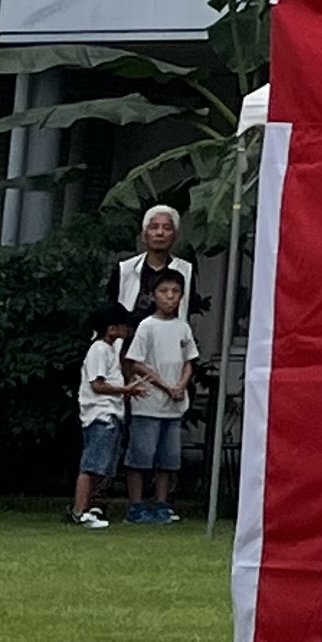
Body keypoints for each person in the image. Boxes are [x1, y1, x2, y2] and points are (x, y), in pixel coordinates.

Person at [121, 267, 196, 525]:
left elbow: (189, 361)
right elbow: (137, 363)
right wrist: (165, 385)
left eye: (175, 292)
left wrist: (181, 385)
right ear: (153, 295)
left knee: (168, 459)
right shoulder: (147, 326)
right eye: (164, 291)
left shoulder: (182, 327)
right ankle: (136, 505)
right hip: (149, 403)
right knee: (141, 456)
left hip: (173, 406)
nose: (170, 297)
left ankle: (162, 504)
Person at [69, 303, 136, 530]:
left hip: (110, 413)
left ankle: (88, 508)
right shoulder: (98, 349)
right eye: (122, 325)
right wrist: (126, 390)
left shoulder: (108, 349)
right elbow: (97, 385)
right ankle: (79, 511)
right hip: (101, 414)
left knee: (103, 466)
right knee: (91, 466)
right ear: (111, 329)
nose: (126, 329)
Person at [111, 206, 191, 326]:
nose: (160, 233)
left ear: (175, 236)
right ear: (144, 235)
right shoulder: (125, 269)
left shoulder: (186, 270)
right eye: (154, 227)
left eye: (167, 228)